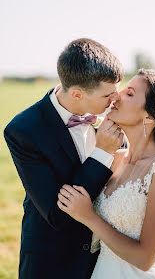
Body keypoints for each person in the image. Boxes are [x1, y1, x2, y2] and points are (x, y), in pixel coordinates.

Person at [4, 38, 124, 279]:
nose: (116, 100)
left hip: (109, 260)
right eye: (107, 95)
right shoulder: (24, 130)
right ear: (78, 94)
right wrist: (102, 153)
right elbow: (57, 213)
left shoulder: (116, 115)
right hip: (54, 263)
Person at [57, 68, 155, 278]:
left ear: (150, 115)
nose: (116, 96)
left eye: (130, 94)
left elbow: (145, 259)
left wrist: (89, 217)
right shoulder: (114, 159)